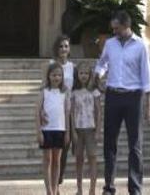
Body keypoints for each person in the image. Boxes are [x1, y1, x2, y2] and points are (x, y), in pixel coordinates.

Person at [94, 10, 150, 195]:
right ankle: (109, 187)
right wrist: (98, 74)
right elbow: (102, 62)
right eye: (113, 28)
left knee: (135, 144)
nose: (114, 32)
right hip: (113, 95)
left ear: (126, 26)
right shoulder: (110, 44)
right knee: (109, 143)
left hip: (133, 97)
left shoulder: (141, 46)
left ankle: (135, 188)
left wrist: (149, 106)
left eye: (117, 28)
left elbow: (147, 77)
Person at [38, 62, 71, 195]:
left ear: (62, 77)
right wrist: (39, 130)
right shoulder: (44, 92)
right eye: (53, 75)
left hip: (60, 130)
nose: (56, 77)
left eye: (59, 75)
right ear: (48, 76)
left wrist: (67, 132)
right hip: (46, 130)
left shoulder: (65, 93)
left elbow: (67, 113)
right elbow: (37, 111)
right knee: (48, 160)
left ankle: (55, 187)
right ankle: (49, 191)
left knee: (57, 161)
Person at [70, 63, 102, 195]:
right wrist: (72, 131)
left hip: (91, 129)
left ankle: (92, 189)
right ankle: (79, 189)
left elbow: (98, 111)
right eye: (81, 73)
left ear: (90, 75)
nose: (84, 76)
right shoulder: (74, 92)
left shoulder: (94, 91)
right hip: (78, 129)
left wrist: (98, 130)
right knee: (79, 159)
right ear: (77, 75)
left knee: (92, 158)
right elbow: (71, 112)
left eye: (86, 73)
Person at [52, 35, 75, 186]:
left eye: (66, 46)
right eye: (61, 46)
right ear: (56, 49)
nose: (63, 49)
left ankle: (59, 180)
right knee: (54, 149)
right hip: (55, 111)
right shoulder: (51, 65)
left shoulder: (72, 67)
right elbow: (44, 86)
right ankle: (53, 182)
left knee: (66, 147)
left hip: (69, 110)